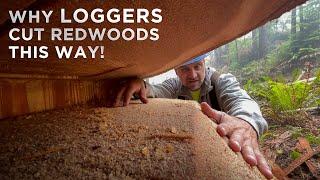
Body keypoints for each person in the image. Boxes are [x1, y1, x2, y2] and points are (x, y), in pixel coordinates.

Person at [113, 54, 273, 179]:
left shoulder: (221, 81)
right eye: (185, 69)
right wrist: (142, 86)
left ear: (204, 64)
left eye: (197, 66)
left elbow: (241, 100)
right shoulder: (174, 86)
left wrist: (246, 121)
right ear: (176, 71)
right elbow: (155, 91)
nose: (193, 74)